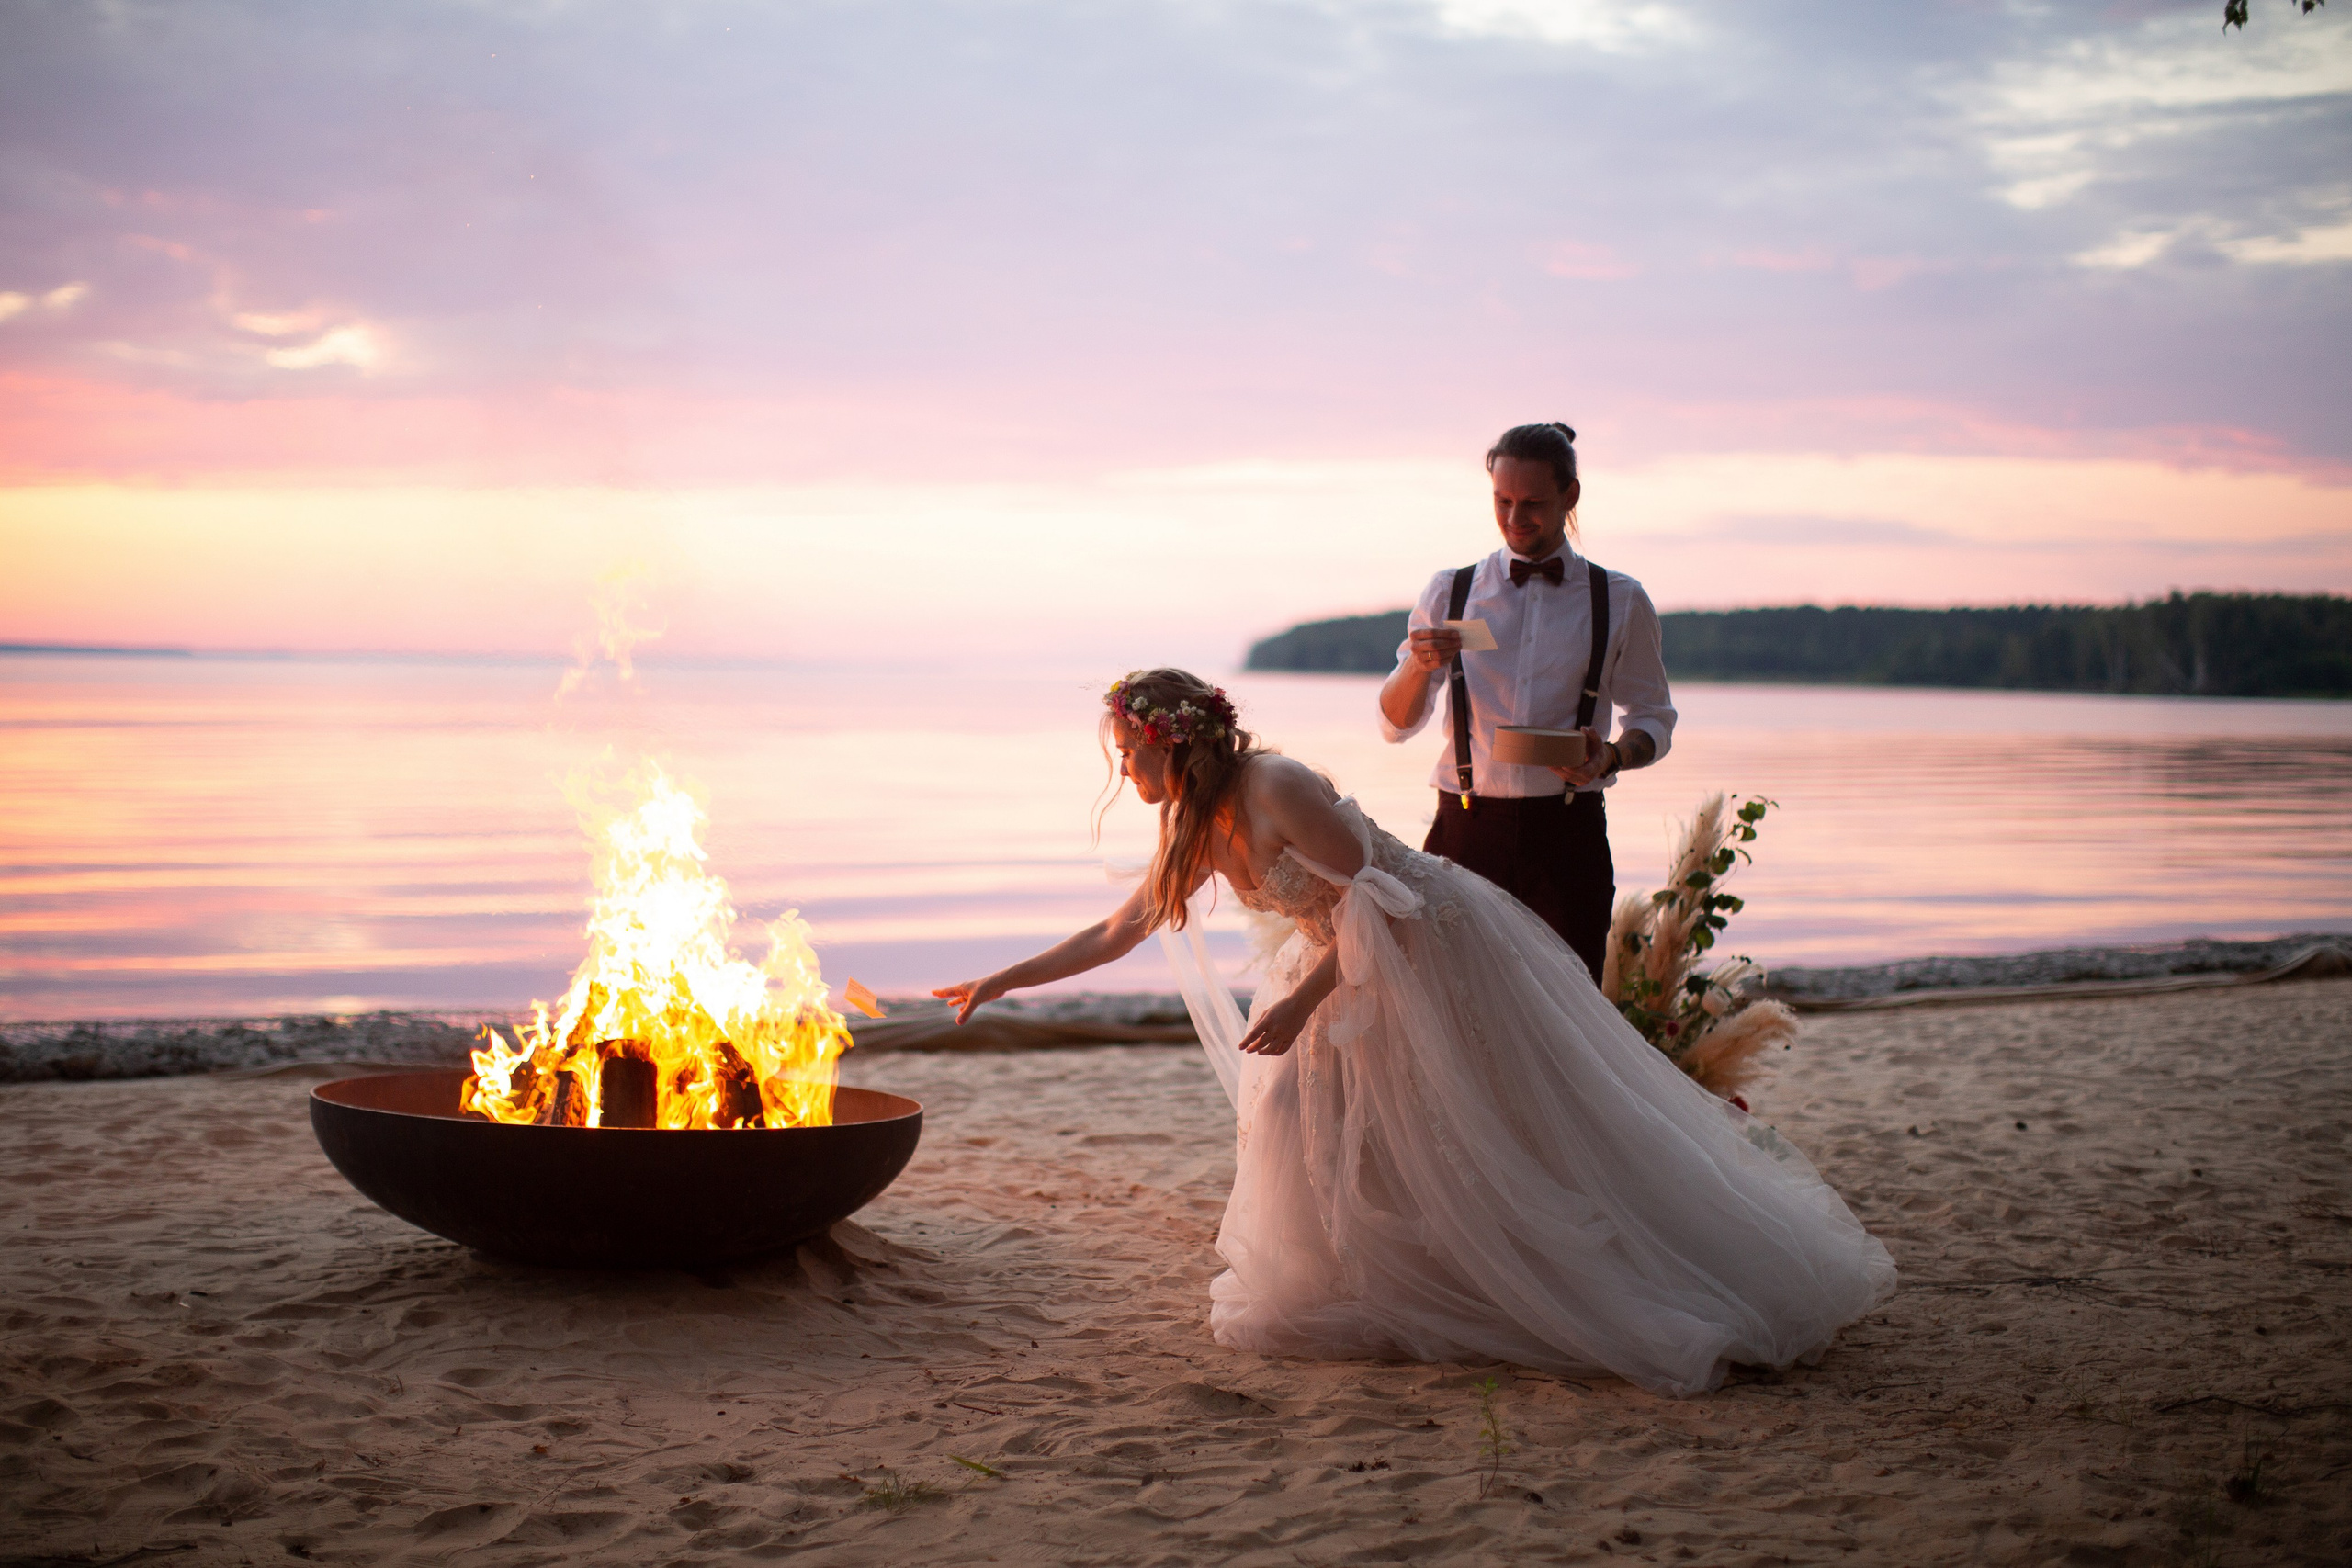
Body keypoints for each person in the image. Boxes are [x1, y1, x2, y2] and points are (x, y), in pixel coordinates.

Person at [935, 669, 1894, 1397]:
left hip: (1431, 947)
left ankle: (1622, 1278)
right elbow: (1122, 928)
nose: (1123, 769)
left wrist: (1305, 1001)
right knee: (1302, 1130)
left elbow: (1385, 897)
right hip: (1342, 961)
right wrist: (1002, 980)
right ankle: (1393, 1281)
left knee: (1488, 1125)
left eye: (1128, 751)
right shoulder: (1193, 818)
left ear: (1168, 742)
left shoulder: (1275, 786)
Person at [1377, 422, 1676, 981]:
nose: (1515, 519)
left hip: (1568, 839)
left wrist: (1609, 757)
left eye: (1533, 503)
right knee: (1453, 1004)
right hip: (1464, 834)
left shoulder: (1620, 600)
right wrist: (1418, 665)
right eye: (1502, 501)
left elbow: (1653, 719)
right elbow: (1394, 726)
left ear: (1571, 496)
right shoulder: (1451, 590)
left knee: (1570, 1020)